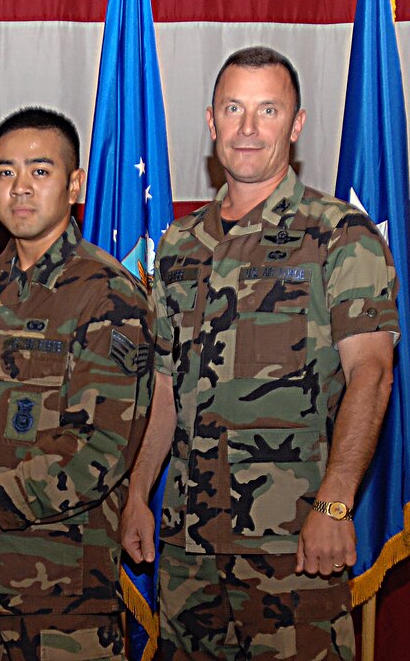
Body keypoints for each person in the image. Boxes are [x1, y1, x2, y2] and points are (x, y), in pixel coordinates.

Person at [120, 46, 399, 659]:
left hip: (293, 545)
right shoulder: (177, 244)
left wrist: (334, 502)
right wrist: (138, 493)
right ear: (212, 120)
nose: (248, 129)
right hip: (188, 549)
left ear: (296, 125)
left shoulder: (339, 234)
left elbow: (372, 375)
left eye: (267, 110)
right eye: (234, 109)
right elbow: (164, 386)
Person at [0, 107, 155, 660]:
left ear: (74, 183)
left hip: (61, 607)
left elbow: (101, 453)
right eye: (5, 171)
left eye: (40, 171)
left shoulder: (109, 295)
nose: (20, 188)